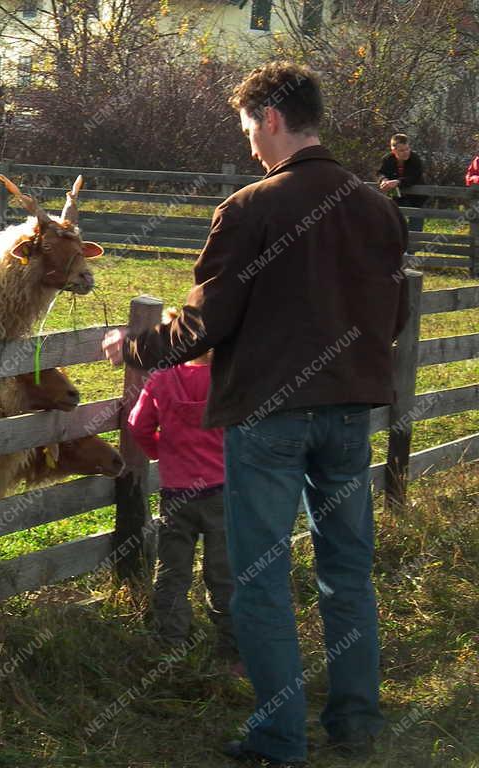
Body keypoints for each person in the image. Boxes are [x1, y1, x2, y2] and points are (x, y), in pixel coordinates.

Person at [103, 61, 408, 767]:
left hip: (270, 418)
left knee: (262, 575)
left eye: (249, 129)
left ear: (271, 118)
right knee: (346, 569)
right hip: (349, 414)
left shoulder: (250, 208)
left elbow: (206, 323)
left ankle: (278, 736)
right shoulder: (375, 207)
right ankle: (355, 723)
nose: (249, 147)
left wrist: (137, 348)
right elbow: (394, 312)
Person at [127, 347, 239, 670]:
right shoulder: (228, 379)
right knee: (223, 571)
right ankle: (231, 651)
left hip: (177, 494)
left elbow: (137, 425)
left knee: (173, 570)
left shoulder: (162, 379)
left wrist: (160, 452)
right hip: (221, 491)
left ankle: (170, 646)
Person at [378, 133, 426, 237]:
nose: (406, 152)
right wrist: (383, 180)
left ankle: (412, 250)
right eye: (402, 150)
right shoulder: (387, 159)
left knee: (416, 224)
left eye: (407, 149)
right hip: (397, 198)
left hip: (416, 198)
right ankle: (396, 249)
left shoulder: (415, 159)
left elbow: (414, 177)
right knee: (396, 223)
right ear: (394, 150)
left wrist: (398, 182)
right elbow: (380, 172)